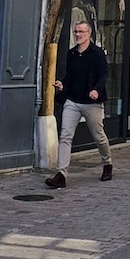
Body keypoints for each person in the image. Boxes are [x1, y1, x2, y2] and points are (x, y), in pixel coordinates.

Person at [46, 17, 113, 187]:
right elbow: (70, 76)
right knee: (66, 135)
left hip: (92, 103)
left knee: (99, 136)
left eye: (81, 31)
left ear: (89, 34)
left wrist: (96, 90)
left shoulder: (97, 54)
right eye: (76, 32)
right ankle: (61, 174)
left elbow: (104, 75)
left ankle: (107, 164)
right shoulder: (72, 53)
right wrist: (63, 84)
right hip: (73, 101)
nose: (78, 35)